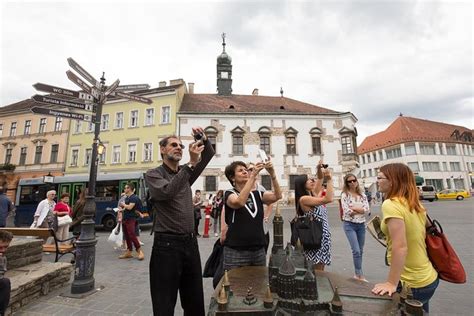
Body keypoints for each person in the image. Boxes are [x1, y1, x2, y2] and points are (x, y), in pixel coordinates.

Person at [145, 127, 214, 316]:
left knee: (194, 301)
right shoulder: (153, 174)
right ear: (162, 149)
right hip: (166, 246)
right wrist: (190, 164)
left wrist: (202, 138)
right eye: (173, 145)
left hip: (190, 244)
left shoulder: (186, 173)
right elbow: (167, 192)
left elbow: (209, 154)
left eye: (181, 146)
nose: (179, 148)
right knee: (164, 303)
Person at [372, 163, 438, 313]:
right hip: (428, 277)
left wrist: (390, 283)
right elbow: (423, 230)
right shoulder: (414, 202)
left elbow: (400, 247)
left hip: (411, 282)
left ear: (393, 181)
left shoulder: (390, 204)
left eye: (380, 177)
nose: (377, 181)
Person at [222, 160, 282, 271]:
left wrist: (272, 174)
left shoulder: (258, 194)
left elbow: (277, 196)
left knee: (258, 285)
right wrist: (253, 176)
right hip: (236, 252)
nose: (245, 172)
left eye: (246, 170)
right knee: (236, 286)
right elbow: (239, 202)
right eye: (240, 170)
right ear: (232, 178)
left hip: (258, 251)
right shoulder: (229, 194)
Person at [294, 163, 334, 271]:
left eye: (312, 179)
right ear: (302, 184)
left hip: (323, 237)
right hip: (315, 237)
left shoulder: (313, 193)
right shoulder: (304, 199)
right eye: (308, 180)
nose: (312, 180)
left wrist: (318, 169)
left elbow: (320, 178)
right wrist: (329, 180)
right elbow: (328, 199)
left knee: (321, 268)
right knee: (317, 271)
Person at [341, 173, 370, 282]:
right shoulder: (345, 195)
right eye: (350, 181)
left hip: (361, 225)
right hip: (349, 225)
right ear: (346, 183)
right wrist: (360, 209)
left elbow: (367, 209)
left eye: (354, 180)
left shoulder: (362, 194)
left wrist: (356, 209)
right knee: (356, 251)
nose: (353, 182)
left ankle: (357, 272)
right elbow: (347, 211)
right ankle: (360, 275)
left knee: (360, 250)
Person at [118, 183, 144, 260]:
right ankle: (129, 252)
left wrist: (123, 205)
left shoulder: (134, 198)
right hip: (126, 218)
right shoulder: (127, 198)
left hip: (131, 219)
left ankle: (139, 251)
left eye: (126, 188)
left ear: (129, 189)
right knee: (126, 235)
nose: (124, 189)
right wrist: (122, 209)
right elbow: (127, 209)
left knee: (132, 234)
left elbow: (130, 207)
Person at [0, 230, 13, 316]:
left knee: (5, 282)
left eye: (6, 247)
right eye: (0, 247)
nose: (3, 250)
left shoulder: (2, 258)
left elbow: (1, 274)